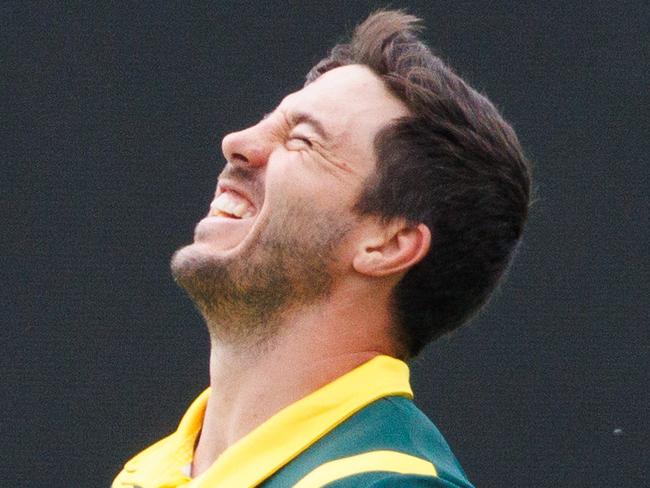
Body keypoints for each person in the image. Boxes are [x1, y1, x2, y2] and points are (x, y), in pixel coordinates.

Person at [113, 9, 531, 488]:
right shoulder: (145, 474)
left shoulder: (390, 483)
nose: (237, 142)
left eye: (302, 140)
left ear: (388, 244)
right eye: (267, 122)